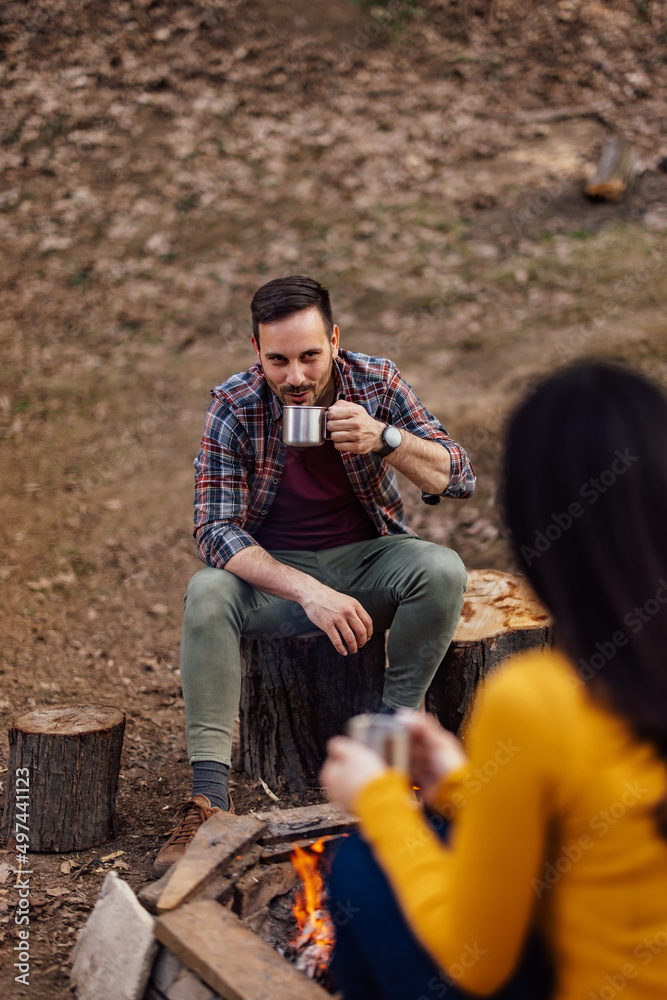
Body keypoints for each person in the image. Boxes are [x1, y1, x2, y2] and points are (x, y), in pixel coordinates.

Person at [321, 360, 667, 1000]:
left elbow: (475, 960)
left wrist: (378, 798)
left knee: (362, 870)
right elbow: (602, 828)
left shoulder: (541, 699)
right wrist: (464, 781)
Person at [153, 274, 476, 876]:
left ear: (334, 340)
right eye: (278, 360)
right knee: (207, 591)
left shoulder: (375, 381)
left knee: (440, 568)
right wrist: (309, 590)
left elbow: (456, 476)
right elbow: (214, 529)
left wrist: (386, 439)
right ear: (256, 351)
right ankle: (208, 799)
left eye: (309, 356)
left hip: (366, 560)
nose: (296, 377)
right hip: (277, 580)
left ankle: (391, 751)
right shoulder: (235, 403)